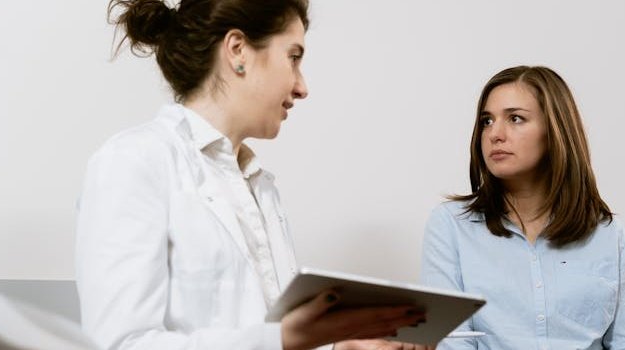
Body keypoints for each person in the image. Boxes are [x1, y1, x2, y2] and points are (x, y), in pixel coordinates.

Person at [75, 1, 433, 349]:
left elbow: (263, 332)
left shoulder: (260, 187)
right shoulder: (133, 161)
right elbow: (121, 343)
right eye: (293, 58)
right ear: (238, 51)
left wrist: (339, 347)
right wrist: (283, 339)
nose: (302, 86)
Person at [420, 66, 625, 349]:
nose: (495, 134)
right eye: (487, 121)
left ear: (555, 130)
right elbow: (451, 343)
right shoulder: (450, 226)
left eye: (515, 118)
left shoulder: (608, 235)